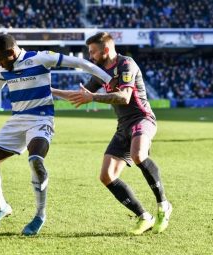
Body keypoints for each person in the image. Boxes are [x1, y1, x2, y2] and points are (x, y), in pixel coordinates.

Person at [0, 34, 115, 236]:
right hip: (17, 121)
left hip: (41, 119)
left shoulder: (41, 58)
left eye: (2, 59)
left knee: (36, 161)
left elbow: (81, 63)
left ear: (11, 52)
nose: (0, 63)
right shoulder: (5, 66)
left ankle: (40, 215)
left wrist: (110, 79)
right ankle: (1, 207)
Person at [52, 32, 172, 235]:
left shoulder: (126, 64)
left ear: (106, 50)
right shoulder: (100, 71)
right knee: (106, 176)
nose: (90, 56)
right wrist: (50, 90)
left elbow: (125, 97)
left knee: (139, 155)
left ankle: (163, 204)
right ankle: (145, 217)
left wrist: (93, 98)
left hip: (142, 119)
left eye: (93, 52)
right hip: (123, 126)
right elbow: (82, 95)